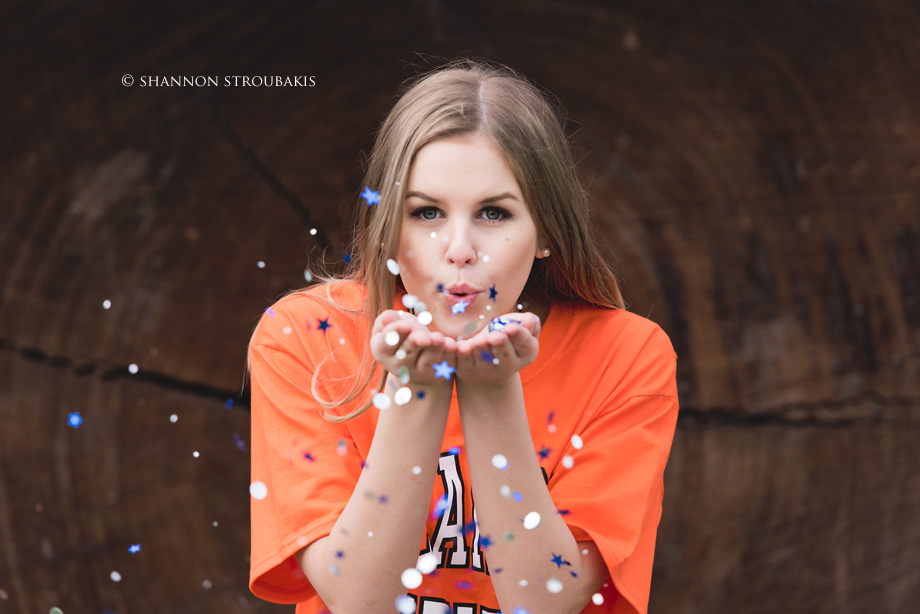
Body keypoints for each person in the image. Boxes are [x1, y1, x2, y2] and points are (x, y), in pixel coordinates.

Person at [246, 59, 679, 614]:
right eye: (426, 212)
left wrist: (492, 389)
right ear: (387, 233)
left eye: (494, 214)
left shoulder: (626, 356)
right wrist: (416, 386)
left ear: (545, 231)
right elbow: (357, 600)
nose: (459, 248)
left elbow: (548, 603)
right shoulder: (305, 338)